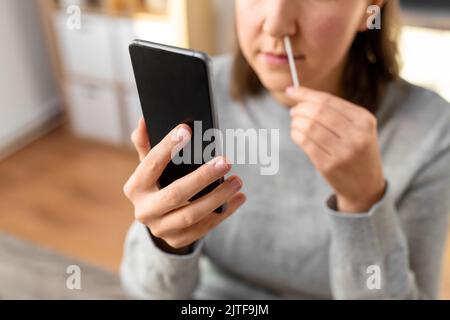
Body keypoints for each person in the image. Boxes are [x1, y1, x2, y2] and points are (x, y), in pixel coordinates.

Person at [120, 0, 450, 299]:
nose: (277, 25)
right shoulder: (196, 96)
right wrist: (164, 240)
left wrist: (363, 202)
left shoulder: (432, 130)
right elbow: (145, 291)